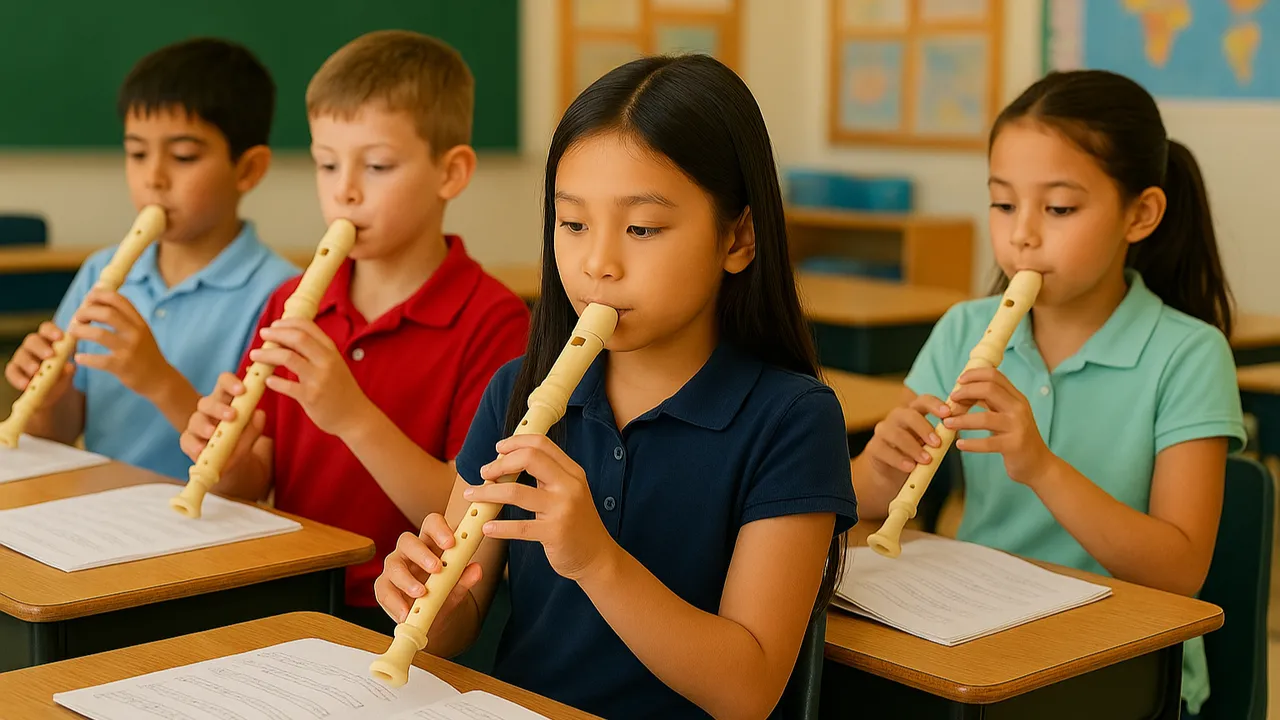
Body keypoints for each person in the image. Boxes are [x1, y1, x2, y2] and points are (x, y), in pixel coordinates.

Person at [374, 54, 858, 719]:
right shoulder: (518, 394)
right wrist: (431, 605)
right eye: (573, 224)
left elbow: (747, 691)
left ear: (739, 237)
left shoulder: (792, 420)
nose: (598, 263)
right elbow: (457, 631)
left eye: (642, 229)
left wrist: (597, 560)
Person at [853, 69, 1245, 717]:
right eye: (1003, 205)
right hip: (977, 631)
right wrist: (877, 465)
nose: (1023, 235)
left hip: (1128, 663)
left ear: (1139, 214)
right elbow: (862, 504)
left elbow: (1179, 573)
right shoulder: (964, 330)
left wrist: (1040, 467)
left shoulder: (1189, 355)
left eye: (1059, 208)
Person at [179, 31, 530, 631]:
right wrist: (229, 461)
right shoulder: (290, 301)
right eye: (326, 163)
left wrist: (351, 415)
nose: (344, 188)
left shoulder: (494, 321)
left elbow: (458, 510)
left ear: (451, 172)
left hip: (399, 613)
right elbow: (259, 476)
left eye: (376, 165)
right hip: (283, 583)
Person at [4, 37, 297, 480]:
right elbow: (60, 435)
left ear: (248, 169)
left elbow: (253, 481)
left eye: (183, 156)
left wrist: (159, 380)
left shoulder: (282, 296)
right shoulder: (101, 273)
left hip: (214, 528)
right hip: (95, 510)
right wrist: (47, 399)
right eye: (137, 153)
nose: (153, 178)